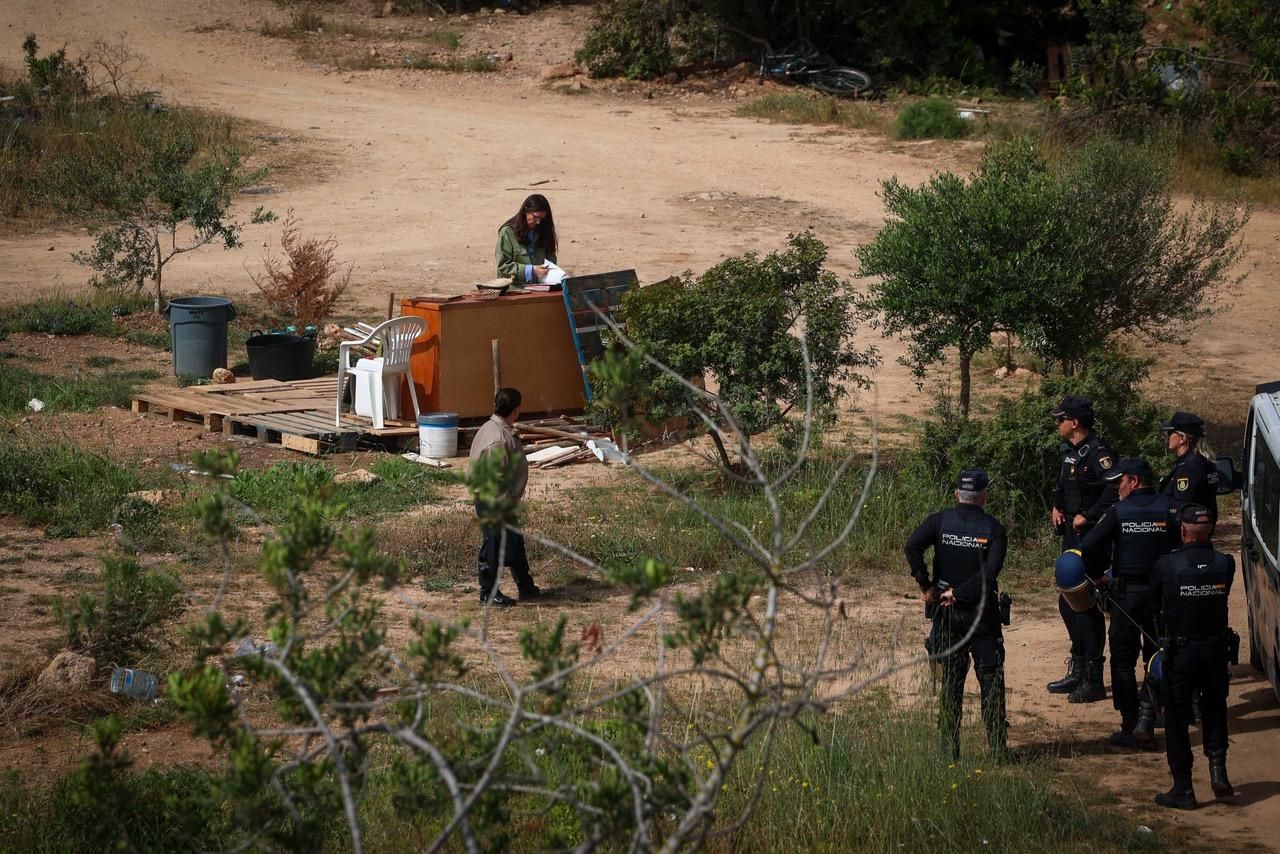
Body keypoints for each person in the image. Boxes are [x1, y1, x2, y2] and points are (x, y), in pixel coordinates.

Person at [905, 469, 1009, 760]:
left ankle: (950, 752)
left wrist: (927, 586)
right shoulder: (994, 529)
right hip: (982, 616)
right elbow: (990, 573)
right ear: (984, 497)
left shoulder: (939, 521)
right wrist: (960, 594)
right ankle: (998, 751)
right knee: (991, 680)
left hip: (947, 614)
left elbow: (912, 546)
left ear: (956, 495)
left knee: (951, 682)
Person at [1081, 458, 1180, 748]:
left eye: (1119, 482)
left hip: (1127, 596)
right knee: (1158, 656)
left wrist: (1098, 576)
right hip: (1162, 595)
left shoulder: (1118, 512)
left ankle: (1130, 722)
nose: (1116, 487)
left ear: (1134, 481)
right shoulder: (1171, 507)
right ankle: (1149, 716)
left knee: (1123, 661)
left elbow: (1089, 544)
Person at [1149, 504, 1235, 810]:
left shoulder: (1167, 565)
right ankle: (1218, 771)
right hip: (1214, 652)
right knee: (1214, 709)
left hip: (1182, 654)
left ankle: (1183, 787)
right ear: (1210, 529)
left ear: (1182, 531)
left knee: (1176, 718)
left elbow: (1151, 601)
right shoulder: (1225, 564)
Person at [1047, 396, 1118, 702]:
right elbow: (1065, 486)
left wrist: (1088, 516)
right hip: (1071, 537)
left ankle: (1094, 677)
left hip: (1093, 539)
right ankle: (1077, 667)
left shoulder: (1099, 454)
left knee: (1086, 605)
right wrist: (1057, 507)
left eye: (1060, 418)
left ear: (1074, 422)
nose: (1057, 423)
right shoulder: (1070, 453)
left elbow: (1115, 490)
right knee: (1068, 602)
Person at [470, 387, 542, 606]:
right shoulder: (497, 439)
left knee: (514, 543)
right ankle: (488, 594)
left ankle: (526, 587)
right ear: (517, 409)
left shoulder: (495, 427)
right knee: (494, 547)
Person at [1159, 411, 1219, 521]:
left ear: (1182, 438)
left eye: (1170, 433)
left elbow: (1182, 507)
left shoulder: (1189, 467)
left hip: (1187, 531)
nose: (1167, 437)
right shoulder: (1203, 461)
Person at [496, 194, 558, 286]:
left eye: (542, 218)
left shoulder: (544, 231)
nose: (538, 222)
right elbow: (503, 266)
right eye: (536, 217)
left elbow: (551, 258)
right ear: (526, 211)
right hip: (514, 290)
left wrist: (548, 270)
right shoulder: (508, 233)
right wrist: (531, 271)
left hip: (541, 287)